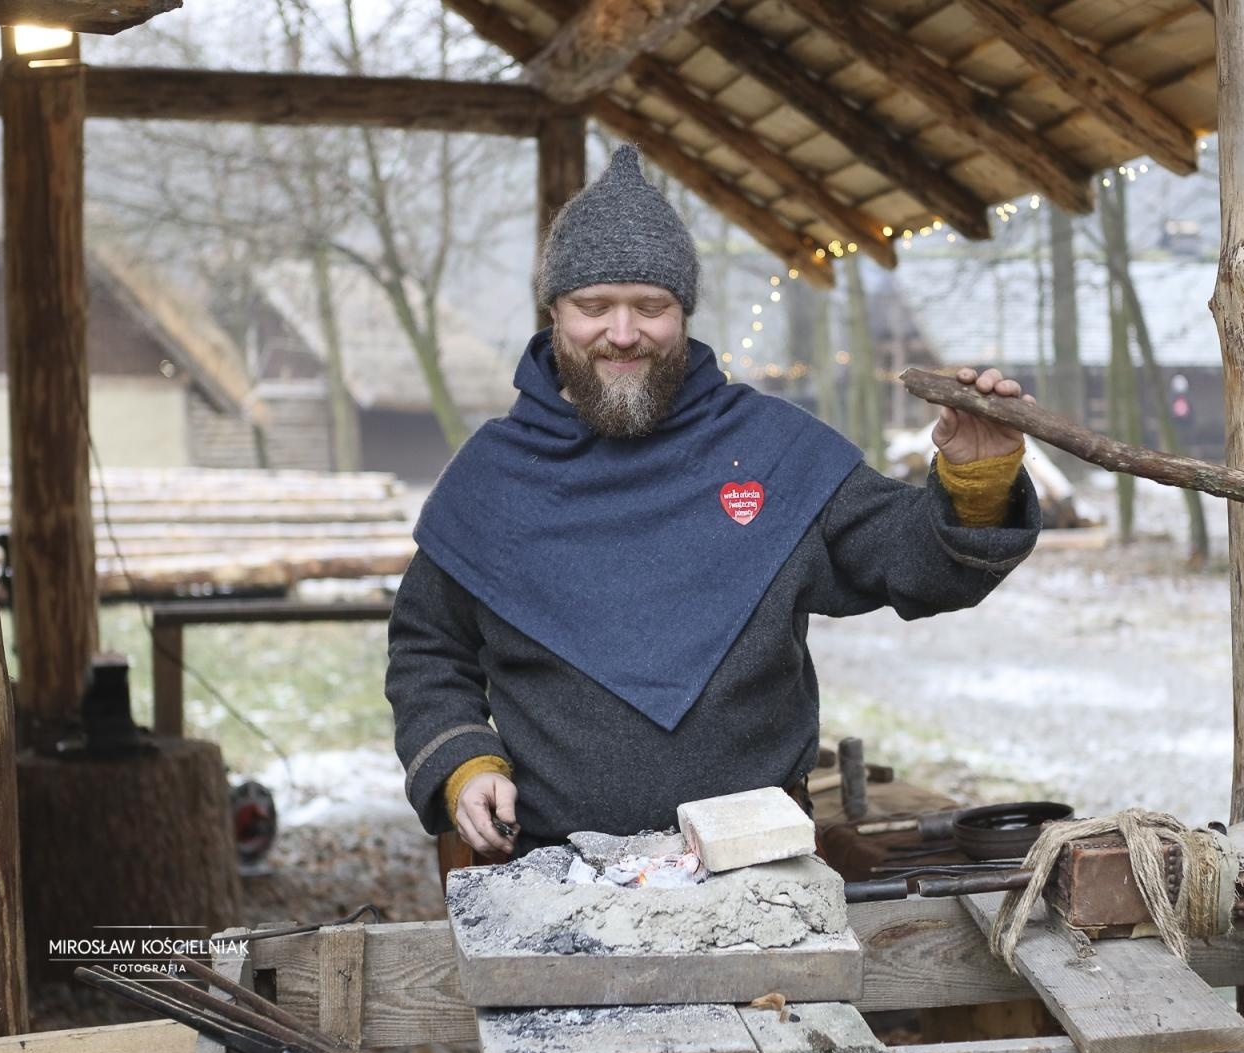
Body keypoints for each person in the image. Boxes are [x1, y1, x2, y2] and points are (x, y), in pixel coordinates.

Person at [387, 145, 1042, 860]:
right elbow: (428, 649)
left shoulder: (772, 450)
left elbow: (919, 563)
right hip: (557, 869)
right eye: (593, 306)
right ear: (553, 312)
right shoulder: (493, 477)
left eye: (651, 307)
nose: (623, 334)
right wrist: (463, 760)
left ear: (685, 313)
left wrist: (977, 478)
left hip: (760, 865)